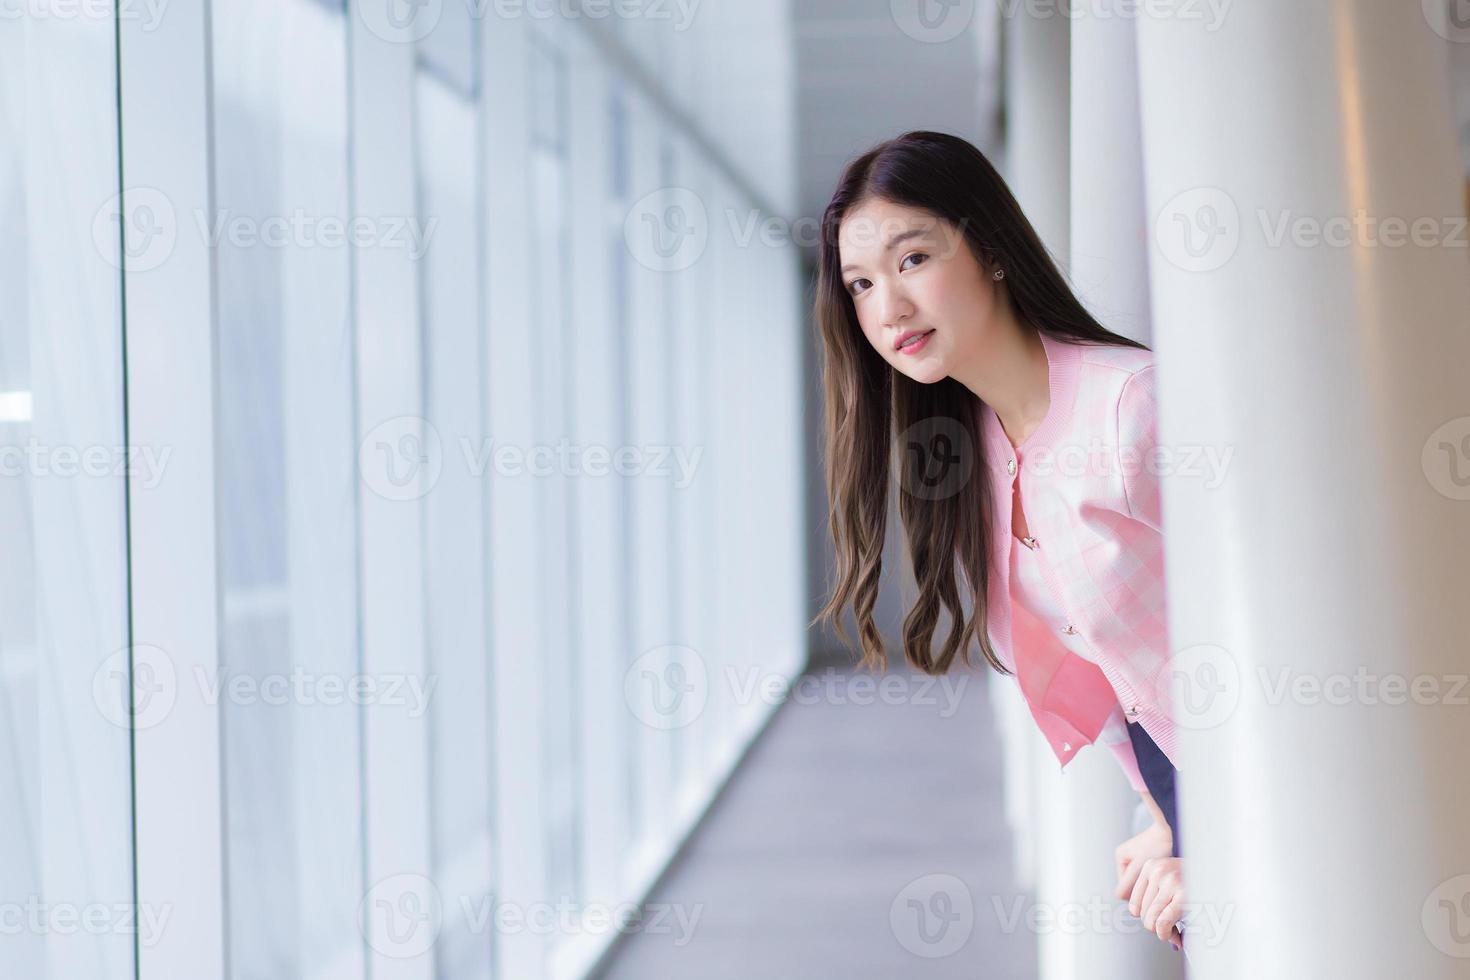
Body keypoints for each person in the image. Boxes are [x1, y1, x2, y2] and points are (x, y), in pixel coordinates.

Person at [811, 130, 1186, 949]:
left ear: (992, 248)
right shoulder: (966, 457)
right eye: (861, 284)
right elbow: (1122, 680)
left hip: (1286, 779)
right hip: (1179, 795)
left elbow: (1287, 644)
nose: (887, 309)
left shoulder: (1133, 409)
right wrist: (1164, 811)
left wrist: (1206, 834)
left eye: (912, 260)